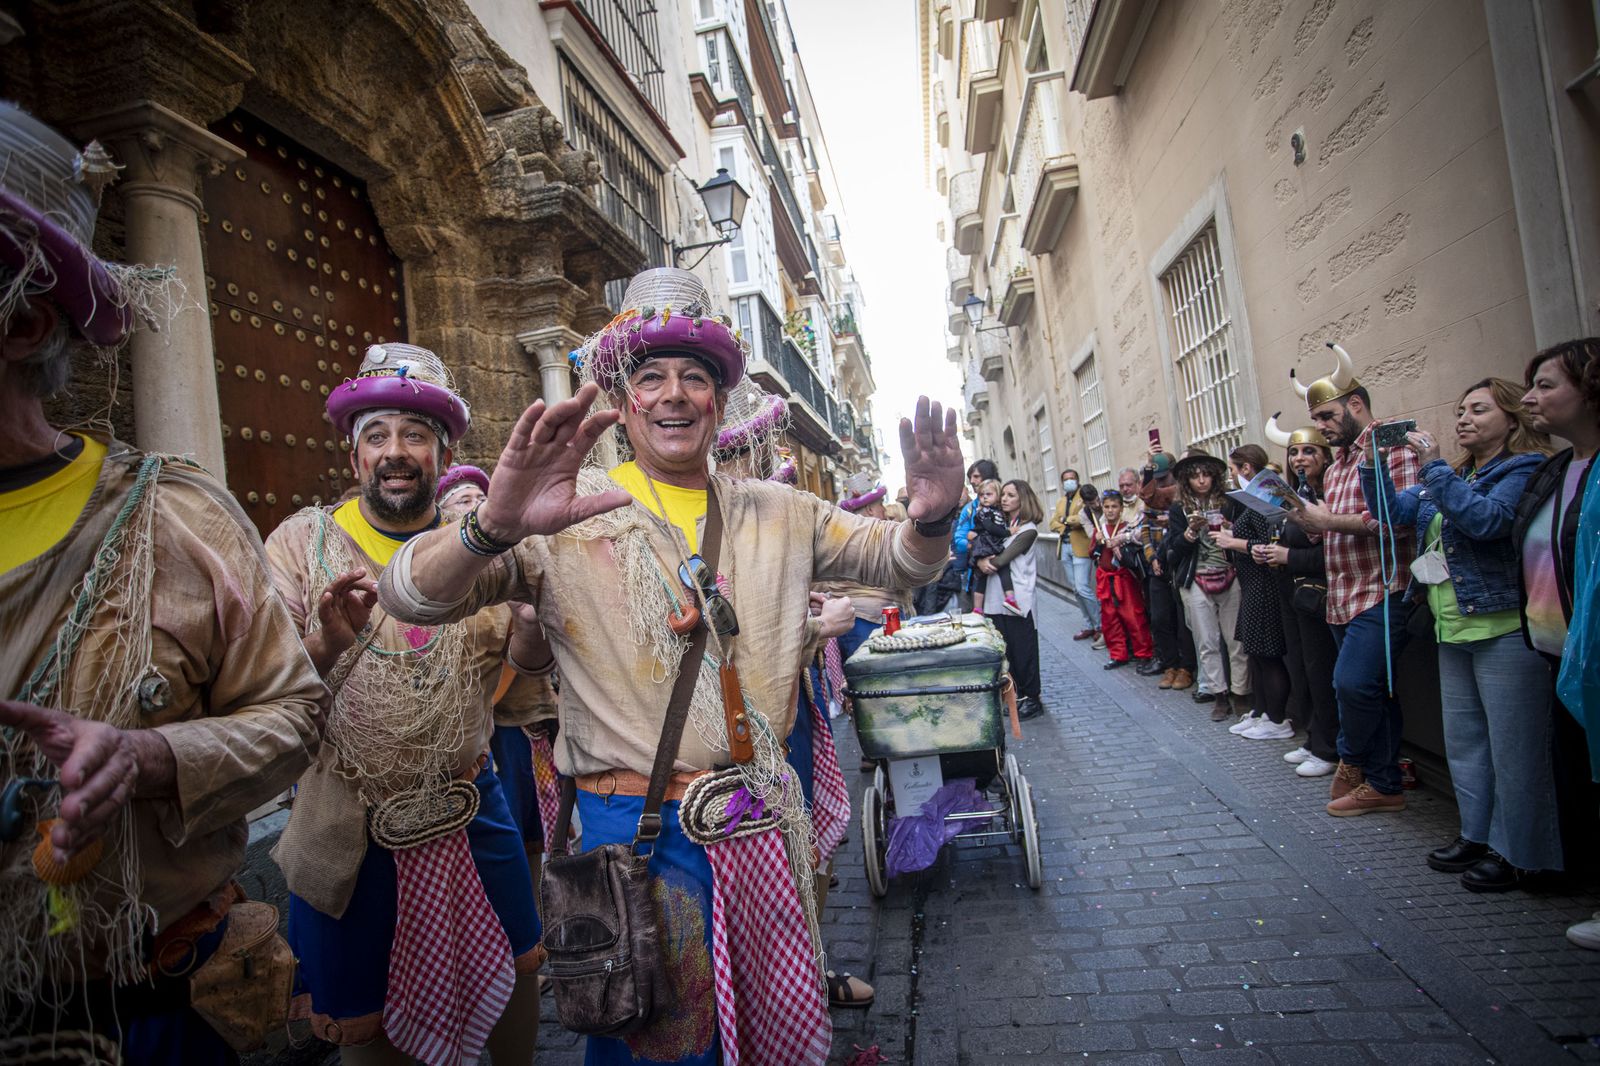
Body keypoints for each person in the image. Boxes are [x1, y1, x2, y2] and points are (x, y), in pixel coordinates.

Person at [374, 266, 962, 1064]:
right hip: (636, 837)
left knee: (760, 1034)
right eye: (653, 377)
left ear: (720, 400)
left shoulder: (778, 510)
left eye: (696, 376)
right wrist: (496, 525)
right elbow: (411, 596)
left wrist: (934, 516)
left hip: (756, 823)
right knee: (659, 1043)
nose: (676, 394)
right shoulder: (565, 510)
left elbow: (896, 560)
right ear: (624, 396)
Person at [0, 103, 327, 1064]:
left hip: (152, 1010)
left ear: (22, 320)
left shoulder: (174, 520)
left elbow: (292, 714)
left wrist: (146, 759)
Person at [265, 345, 546, 1065]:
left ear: (443, 450)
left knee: (519, 985)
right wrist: (323, 648)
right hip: (348, 830)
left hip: (469, 805)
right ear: (354, 453)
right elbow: (260, 689)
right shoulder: (302, 544)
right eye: (377, 435)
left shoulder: (475, 547)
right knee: (370, 1033)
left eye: (415, 435)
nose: (396, 452)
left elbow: (515, 683)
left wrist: (528, 628)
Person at [1360, 378, 1558, 889]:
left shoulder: (1522, 469)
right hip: (1451, 626)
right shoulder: (1451, 475)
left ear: (1512, 419)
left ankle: (1524, 856)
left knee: (1515, 750)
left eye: (1478, 410)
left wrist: (1434, 467)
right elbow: (1391, 512)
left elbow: (1487, 522)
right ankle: (1476, 835)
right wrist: (1370, 463)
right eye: (1460, 409)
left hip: (1502, 627)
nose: (1464, 418)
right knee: (1467, 743)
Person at [1288, 343, 1422, 816]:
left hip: (1383, 590)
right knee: (1375, 692)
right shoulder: (1341, 461)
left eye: (1326, 417)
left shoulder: (1394, 447)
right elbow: (1337, 524)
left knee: (1353, 685)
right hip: (1342, 593)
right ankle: (1385, 784)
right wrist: (1309, 522)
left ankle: (1352, 759)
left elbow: (1399, 519)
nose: (1321, 428)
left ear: (1356, 405)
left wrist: (1328, 522)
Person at [1511, 339, 1600, 945]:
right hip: (1557, 650)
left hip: (1590, 654)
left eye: (1546, 385)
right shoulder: (1558, 467)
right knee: (1581, 777)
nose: (1532, 398)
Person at [439, 466, 561, 897]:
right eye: (461, 500)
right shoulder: (453, 582)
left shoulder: (517, 558)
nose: (473, 505)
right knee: (507, 827)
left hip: (537, 719)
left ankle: (549, 909)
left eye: (478, 497)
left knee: (543, 826)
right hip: (496, 731)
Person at [1258, 416, 1341, 778]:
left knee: (1322, 671)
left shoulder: (1331, 496)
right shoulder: (1295, 495)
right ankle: (1312, 738)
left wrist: (1287, 556)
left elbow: (1334, 553)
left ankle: (1328, 747)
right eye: (1294, 452)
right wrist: (1269, 551)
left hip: (1322, 594)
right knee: (1303, 669)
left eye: (1309, 451)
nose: (1299, 459)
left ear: (1325, 456)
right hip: (1292, 593)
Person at [1213, 444, 1295, 741]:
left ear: (1246, 468)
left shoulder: (1265, 497)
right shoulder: (1250, 500)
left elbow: (1263, 544)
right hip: (1250, 583)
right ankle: (1261, 712)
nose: (1232, 476)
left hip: (1264, 584)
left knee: (1267, 653)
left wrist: (1231, 542)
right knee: (1256, 653)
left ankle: (1277, 718)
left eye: (1233, 469)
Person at [1164, 451, 1251, 722]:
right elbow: (1172, 551)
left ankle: (1241, 694)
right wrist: (1190, 533)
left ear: (1215, 476)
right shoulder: (1179, 509)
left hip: (1229, 574)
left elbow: (1246, 534)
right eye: (1195, 476)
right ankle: (1219, 696)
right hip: (1196, 579)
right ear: (1186, 480)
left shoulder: (1230, 502)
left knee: (1236, 641)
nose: (1201, 481)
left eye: (1206, 475)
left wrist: (1229, 528)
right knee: (1207, 642)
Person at [978, 480, 1046, 719]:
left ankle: (1033, 698)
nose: (1004, 499)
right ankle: (1017, 696)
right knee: (1008, 652)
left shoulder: (1028, 530)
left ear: (1022, 500)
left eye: (1011, 495)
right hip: (996, 598)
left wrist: (984, 561)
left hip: (1020, 599)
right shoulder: (1003, 526)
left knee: (1024, 651)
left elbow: (1002, 559)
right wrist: (980, 559)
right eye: (1003, 495)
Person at [1139, 451, 1197, 691]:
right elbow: (1148, 500)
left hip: (1179, 563)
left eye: (1164, 478)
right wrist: (1152, 557)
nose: (1161, 483)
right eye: (1157, 478)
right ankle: (1170, 664)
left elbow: (1153, 495)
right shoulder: (1158, 496)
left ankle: (1185, 667)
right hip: (1158, 564)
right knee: (1160, 618)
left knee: (1182, 620)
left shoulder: (1182, 494)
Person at [1089, 489, 1154, 670]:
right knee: (1110, 620)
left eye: (1114, 507)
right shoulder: (1099, 530)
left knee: (1133, 616)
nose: (1110, 510)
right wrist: (1097, 541)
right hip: (1105, 579)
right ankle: (1118, 654)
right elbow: (1091, 554)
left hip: (1124, 579)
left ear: (1121, 508)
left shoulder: (1127, 528)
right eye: (1107, 507)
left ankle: (1143, 653)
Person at [1050, 467, 1104, 646]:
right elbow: (1052, 523)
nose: (1069, 481)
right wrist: (1066, 524)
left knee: (1083, 587)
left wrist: (1065, 520)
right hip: (1064, 546)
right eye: (1065, 479)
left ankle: (1100, 625)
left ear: (1078, 479)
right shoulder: (1061, 501)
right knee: (1075, 589)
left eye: (1072, 478)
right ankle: (1089, 624)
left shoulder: (1084, 497)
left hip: (1081, 547)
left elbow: (1080, 519)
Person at [969, 478, 1018, 613]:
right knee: (996, 570)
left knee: (984, 575)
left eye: (988, 494)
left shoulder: (997, 511)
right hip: (988, 544)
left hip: (990, 543)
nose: (984, 497)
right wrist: (1008, 532)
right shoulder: (985, 512)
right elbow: (990, 528)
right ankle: (1007, 598)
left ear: (998, 495)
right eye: (981, 495)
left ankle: (979, 607)